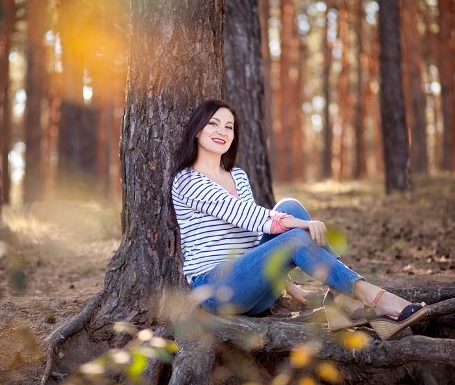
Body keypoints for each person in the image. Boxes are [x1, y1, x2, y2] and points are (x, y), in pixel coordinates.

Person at [170, 100, 429, 340]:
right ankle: (371, 296)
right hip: (217, 290)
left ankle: (342, 297)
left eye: (229, 127)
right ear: (197, 130)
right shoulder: (187, 181)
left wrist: (287, 283)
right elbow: (248, 216)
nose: (222, 131)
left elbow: (252, 239)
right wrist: (301, 224)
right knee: (294, 234)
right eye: (213, 123)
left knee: (290, 206)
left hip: (254, 291)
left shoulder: (237, 176)